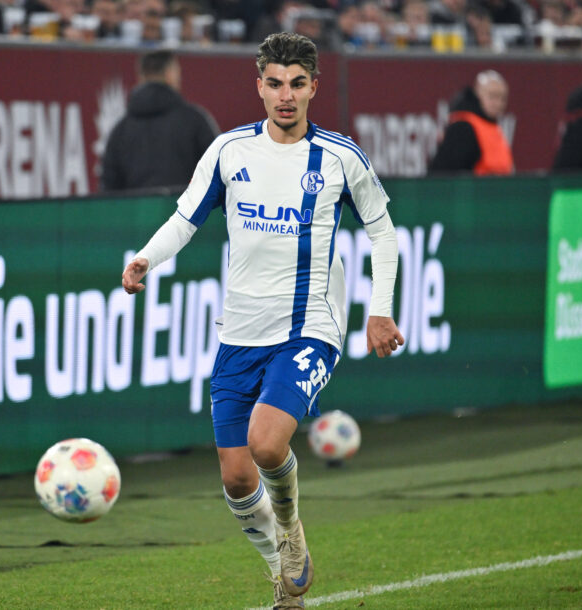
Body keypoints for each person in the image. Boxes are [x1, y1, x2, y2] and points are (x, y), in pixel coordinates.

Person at [121, 32, 404, 608]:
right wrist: (146, 257)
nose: (286, 95)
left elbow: (383, 232)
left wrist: (380, 310)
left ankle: (291, 530)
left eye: (297, 84)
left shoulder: (340, 157)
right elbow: (186, 219)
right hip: (239, 333)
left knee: (268, 444)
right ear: (259, 87)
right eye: (275, 84)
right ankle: (282, 572)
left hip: (309, 327)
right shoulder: (229, 151)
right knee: (236, 478)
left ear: (314, 87)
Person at [101, 50, 219, 191]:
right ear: (170, 74)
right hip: (187, 204)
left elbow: (108, 189)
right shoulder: (195, 121)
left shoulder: (120, 130)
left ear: (141, 77)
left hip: (137, 205)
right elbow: (218, 171)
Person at [429, 70, 514, 175]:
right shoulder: (463, 128)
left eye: (503, 98)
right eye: (492, 96)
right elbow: (445, 174)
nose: (499, 103)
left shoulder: (492, 126)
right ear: (477, 95)